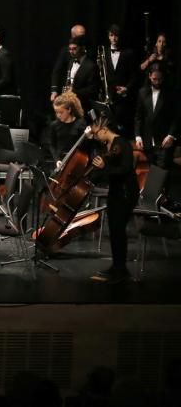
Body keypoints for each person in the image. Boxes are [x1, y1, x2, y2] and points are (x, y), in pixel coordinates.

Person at [87, 118, 139, 284]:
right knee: (114, 230)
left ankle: (121, 270)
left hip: (126, 192)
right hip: (116, 191)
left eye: (96, 133)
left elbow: (125, 169)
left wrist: (105, 168)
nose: (95, 136)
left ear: (104, 129)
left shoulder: (122, 144)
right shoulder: (107, 145)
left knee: (118, 229)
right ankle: (117, 266)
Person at [134, 66, 179, 171]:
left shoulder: (171, 93)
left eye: (160, 79)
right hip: (148, 140)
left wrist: (171, 135)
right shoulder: (142, 92)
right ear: (149, 76)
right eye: (155, 79)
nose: (157, 82)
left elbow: (177, 117)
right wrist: (138, 136)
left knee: (162, 174)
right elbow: (138, 117)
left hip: (164, 141)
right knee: (151, 171)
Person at [103, 24, 140, 131]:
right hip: (108, 96)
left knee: (120, 128)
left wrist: (127, 88)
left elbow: (135, 75)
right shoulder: (103, 52)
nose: (114, 38)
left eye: (116, 36)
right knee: (107, 126)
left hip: (122, 97)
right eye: (111, 35)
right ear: (108, 37)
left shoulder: (128, 53)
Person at [46, 92, 87, 165]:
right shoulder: (54, 125)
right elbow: (52, 145)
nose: (58, 115)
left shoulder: (80, 123)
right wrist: (57, 160)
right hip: (60, 161)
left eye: (61, 112)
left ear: (69, 110)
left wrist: (89, 137)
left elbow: (85, 146)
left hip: (76, 160)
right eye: (56, 112)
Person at [50, 24, 87, 102]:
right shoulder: (65, 51)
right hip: (68, 92)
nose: (83, 39)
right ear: (73, 36)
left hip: (82, 94)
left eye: (84, 36)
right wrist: (54, 90)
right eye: (80, 37)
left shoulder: (89, 51)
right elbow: (57, 71)